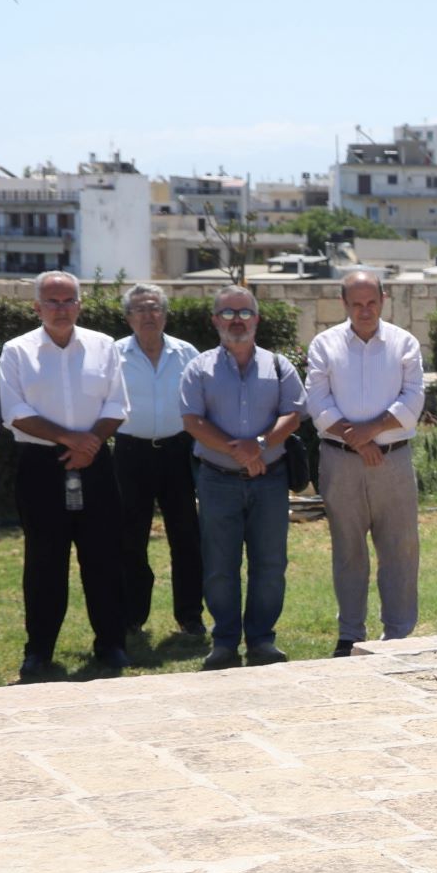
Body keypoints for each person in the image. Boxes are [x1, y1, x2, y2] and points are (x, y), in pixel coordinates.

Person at [0, 271, 130, 677]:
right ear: (36, 307)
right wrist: (70, 440)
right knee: (44, 561)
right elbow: (14, 413)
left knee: (104, 557)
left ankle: (111, 645)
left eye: (68, 300)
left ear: (79, 305)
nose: (60, 308)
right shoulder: (16, 351)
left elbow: (116, 405)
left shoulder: (103, 346)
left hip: (96, 462)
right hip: (42, 466)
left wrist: (88, 444)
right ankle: (39, 650)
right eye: (51, 302)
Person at [179, 285, 304, 670]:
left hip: (269, 480)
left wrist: (261, 444)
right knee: (220, 564)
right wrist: (241, 450)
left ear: (257, 319)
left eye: (245, 313)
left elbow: (294, 414)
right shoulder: (198, 368)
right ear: (215, 320)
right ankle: (225, 642)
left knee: (270, 563)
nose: (237, 321)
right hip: (217, 480)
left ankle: (263, 640)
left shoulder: (280, 366)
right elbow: (192, 421)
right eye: (228, 313)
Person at [304, 271, 425, 656]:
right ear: (344, 303)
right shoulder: (325, 345)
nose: (365, 310)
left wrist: (369, 433)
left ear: (383, 300)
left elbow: (413, 401)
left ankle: (399, 634)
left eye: (371, 302)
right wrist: (356, 441)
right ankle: (350, 633)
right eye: (356, 304)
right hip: (341, 462)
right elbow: (317, 403)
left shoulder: (404, 343)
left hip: (393, 460)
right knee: (348, 548)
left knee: (400, 548)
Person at [114, 283, 204, 638]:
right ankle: (132, 615)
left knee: (186, 536)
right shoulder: (113, 354)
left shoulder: (187, 353)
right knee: (129, 538)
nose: (148, 315)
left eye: (155, 308)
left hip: (177, 451)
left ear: (165, 314)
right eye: (140, 309)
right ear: (128, 317)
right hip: (130, 453)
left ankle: (190, 616)